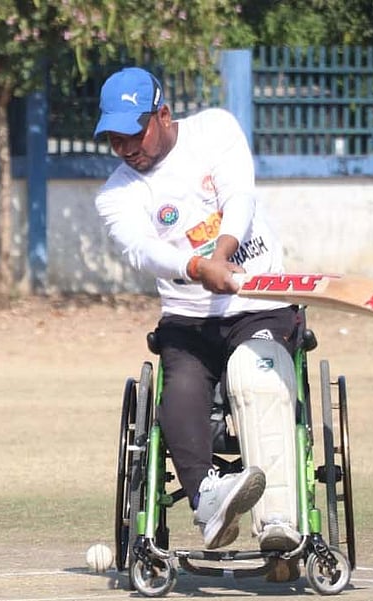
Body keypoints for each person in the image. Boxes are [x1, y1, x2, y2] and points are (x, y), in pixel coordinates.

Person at [93, 68, 302, 558]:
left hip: (258, 304)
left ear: (162, 115)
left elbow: (239, 197)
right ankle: (209, 501)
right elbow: (142, 251)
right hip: (188, 320)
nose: (125, 148)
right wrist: (195, 266)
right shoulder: (116, 194)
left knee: (255, 376)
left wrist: (223, 253)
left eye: (133, 134)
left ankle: (278, 519)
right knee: (180, 389)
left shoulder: (215, 129)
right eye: (113, 139)